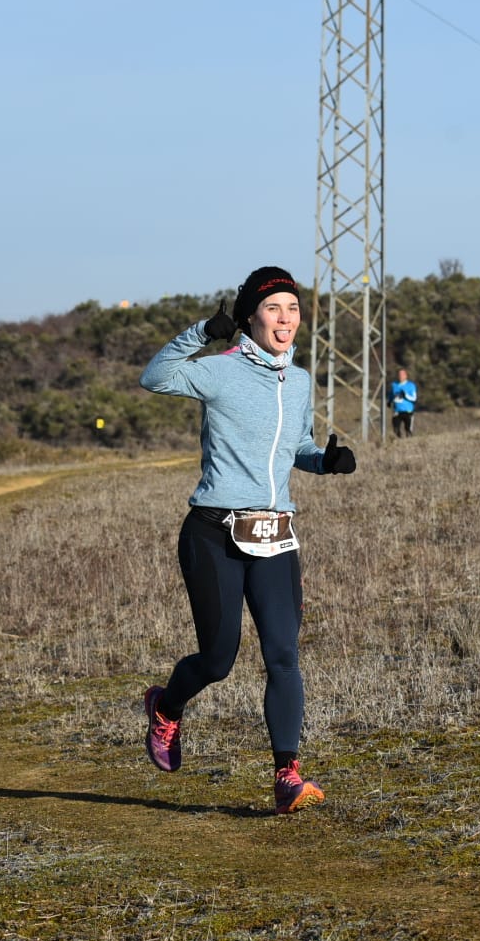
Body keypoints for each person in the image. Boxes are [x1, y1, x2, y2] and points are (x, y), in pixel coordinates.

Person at [138, 266, 357, 814]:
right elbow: (155, 376)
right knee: (219, 658)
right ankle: (166, 707)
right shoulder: (218, 371)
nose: (286, 320)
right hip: (213, 531)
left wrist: (324, 462)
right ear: (250, 316)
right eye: (273, 309)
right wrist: (200, 333)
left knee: (283, 655)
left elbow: (298, 447)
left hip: (275, 532)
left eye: (293, 309)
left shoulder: (300, 380)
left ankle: (288, 774)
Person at [388, 367, 417, 437]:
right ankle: (399, 442)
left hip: (408, 411)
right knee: (396, 429)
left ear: (406, 376)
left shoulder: (411, 385)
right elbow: (391, 395)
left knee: (408, 430)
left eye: (402, 375)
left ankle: (408, 443)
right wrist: (389, 401)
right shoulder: (394, 385)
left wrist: (405, 395)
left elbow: (414, 398)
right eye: (399, 375)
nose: (400, 376)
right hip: (397, 411)